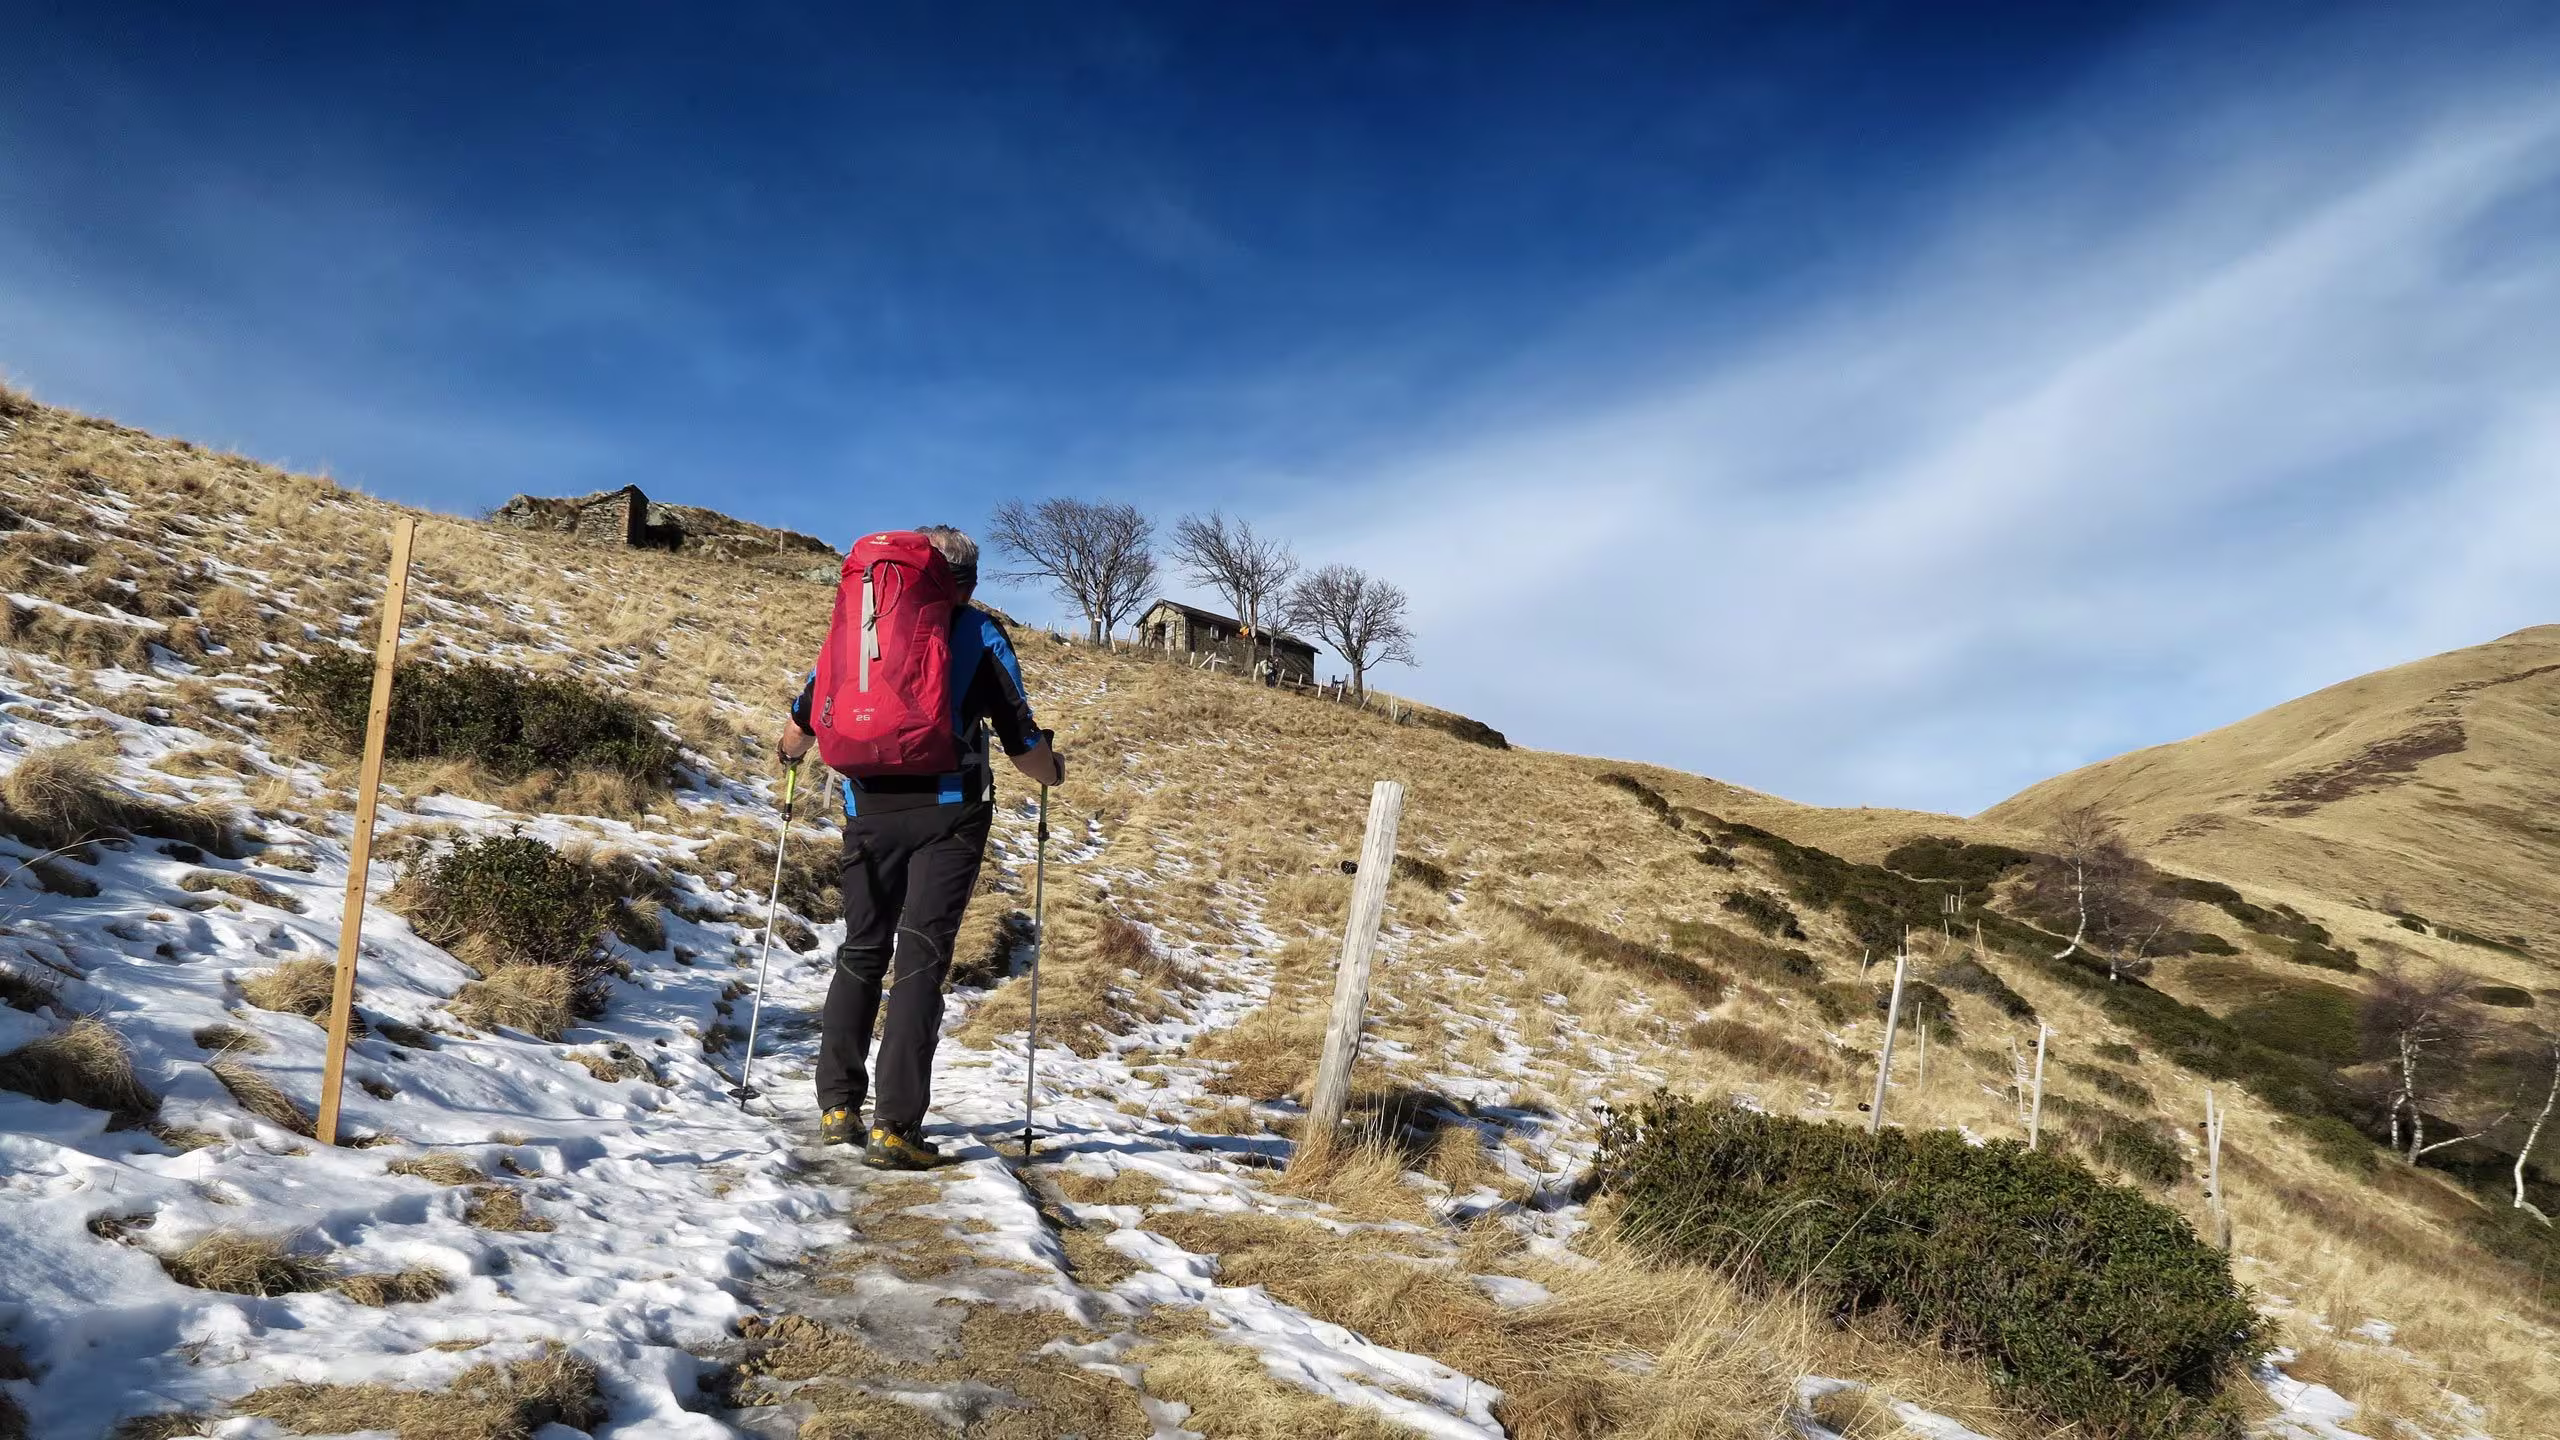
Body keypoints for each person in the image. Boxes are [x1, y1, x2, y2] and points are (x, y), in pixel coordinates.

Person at [777, 525, 1064, 1170]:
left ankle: (837, 1106)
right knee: (922, 956)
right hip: (948, 813)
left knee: (862, 946)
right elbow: (1023, 744)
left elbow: (802, 722)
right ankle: (895, 1128)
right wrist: (1053, 769)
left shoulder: (857, 626)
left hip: (865, 809)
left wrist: (790, 756)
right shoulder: (978, 632)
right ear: (966, 580)